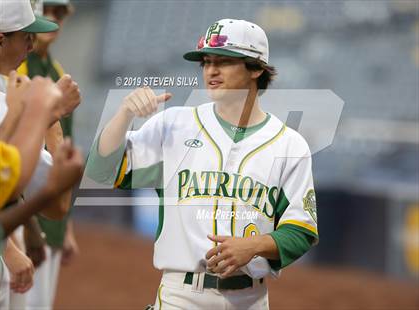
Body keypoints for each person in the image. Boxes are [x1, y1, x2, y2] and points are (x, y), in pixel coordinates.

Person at [86, 19, 318, 309]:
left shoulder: (290, 145)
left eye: (224, 61)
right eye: (206, 62)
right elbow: (100, 171)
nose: (211, 70)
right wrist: (123, 115)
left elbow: (301, 232)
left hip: (251, 298)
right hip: (181, 296)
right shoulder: (173, 125)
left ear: (257, 68)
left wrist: (254, 246)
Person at [17, 1, 79, 308]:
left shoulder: (58, 73)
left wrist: (66, 226)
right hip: (20, 212)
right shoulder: (16, 71)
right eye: (48, 9)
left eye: (60, 13)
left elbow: (66, 149)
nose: (53, 19)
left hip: (51, 213)